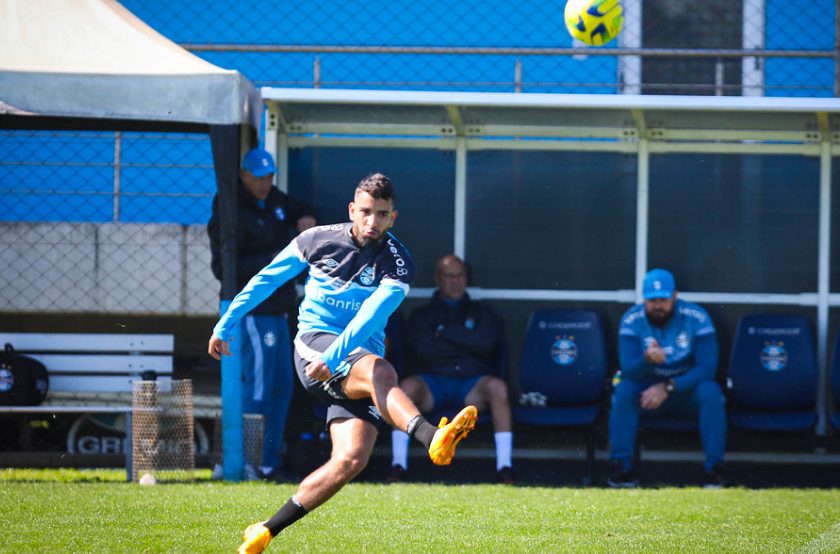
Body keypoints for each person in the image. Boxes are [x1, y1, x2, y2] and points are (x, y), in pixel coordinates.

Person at [208, 173, 478, 554]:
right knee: (382, 371)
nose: (372, 222)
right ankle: (431, 436)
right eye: (365, 212)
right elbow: (266, 280)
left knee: (351, 459)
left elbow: (369, 318)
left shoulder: (398, 263)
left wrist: (337, 358)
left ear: (392, 218)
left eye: (381, 215)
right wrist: (226, 323)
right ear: (352, 209)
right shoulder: (315, 240)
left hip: (349, 361)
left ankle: (265, 530)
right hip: (314, 349)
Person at [207, 147, 317, 481]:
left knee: (282, 385)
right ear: (243, 175)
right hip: (254, 311)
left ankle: (267, 462)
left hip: (281, 311)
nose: (265, 183)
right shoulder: (229, 209)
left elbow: (301, 209)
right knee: (257, 388)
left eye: (269, 177)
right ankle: (243, 462)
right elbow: (223, 267)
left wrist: (308, 220)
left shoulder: (275, 202)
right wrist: (272, 261)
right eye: (258, 177)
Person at [388, 254, 514, 484]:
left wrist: (443, 332)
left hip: (470, 385)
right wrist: (467, 339)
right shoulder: (422, 315)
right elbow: (424, 350)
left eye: (459, 276)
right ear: (438, 278)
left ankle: (505, 469)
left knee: (498, 388)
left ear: (467, 278)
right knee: (405, 388)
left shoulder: (484, 313)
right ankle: (398, 466)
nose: (455, 281)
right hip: (432, 384)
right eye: (448, 276)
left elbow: (485, 345)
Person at [606, 268, 727, 489]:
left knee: (710, 392)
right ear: (644, 299)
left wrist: (669, 386)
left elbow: (707, 369)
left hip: (685, 393)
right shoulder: (632, 319)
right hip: (647, 396)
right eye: (652, 300)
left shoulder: (696, 317)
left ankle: (715, 470)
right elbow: (629, 370)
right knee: (623, 390)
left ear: (675, 296)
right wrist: (646, 360)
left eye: (663, 299)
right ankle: (621, 468)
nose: (658, 306)